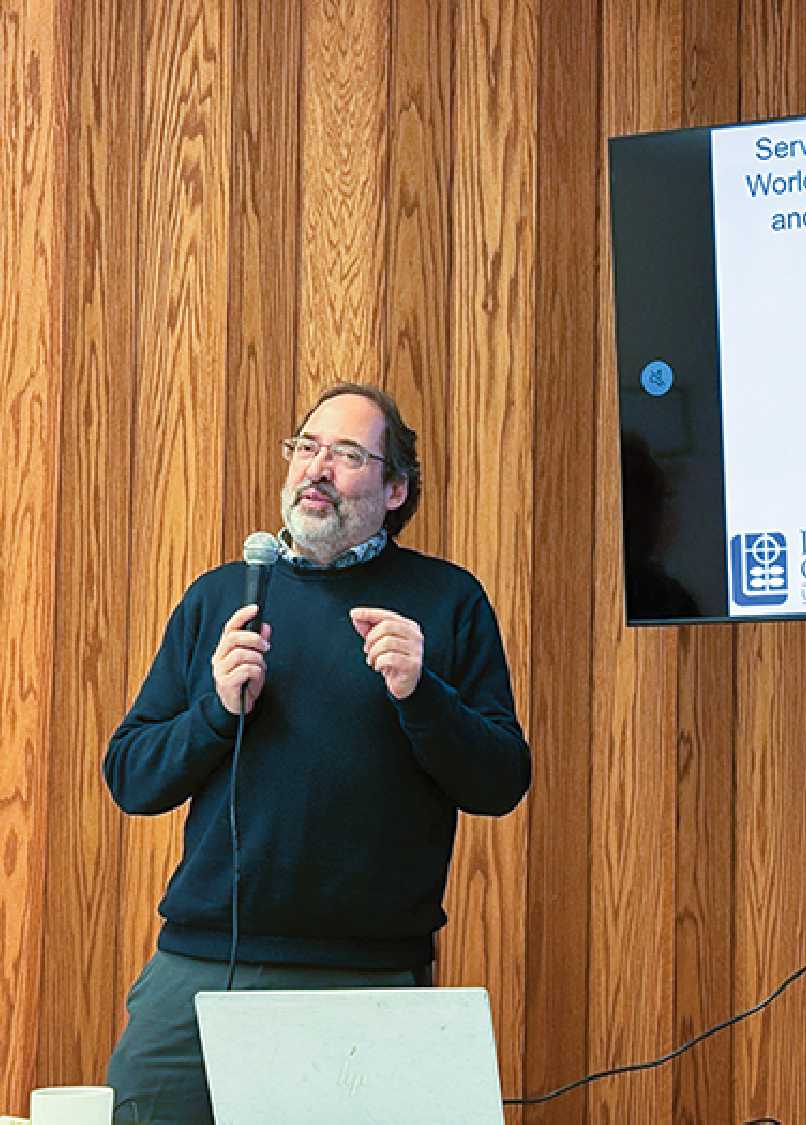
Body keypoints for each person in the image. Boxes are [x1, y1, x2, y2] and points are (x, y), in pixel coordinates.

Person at [103, 383, 530, 1124]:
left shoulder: (447, 600)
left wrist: (421, 692)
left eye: (347, 453)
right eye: (306, 446)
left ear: (396, 488)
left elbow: (500, 780)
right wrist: (215, 710)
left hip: (368, 976)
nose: (317, 468)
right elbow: (132, 775)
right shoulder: (221, 598)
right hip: (206, 964)